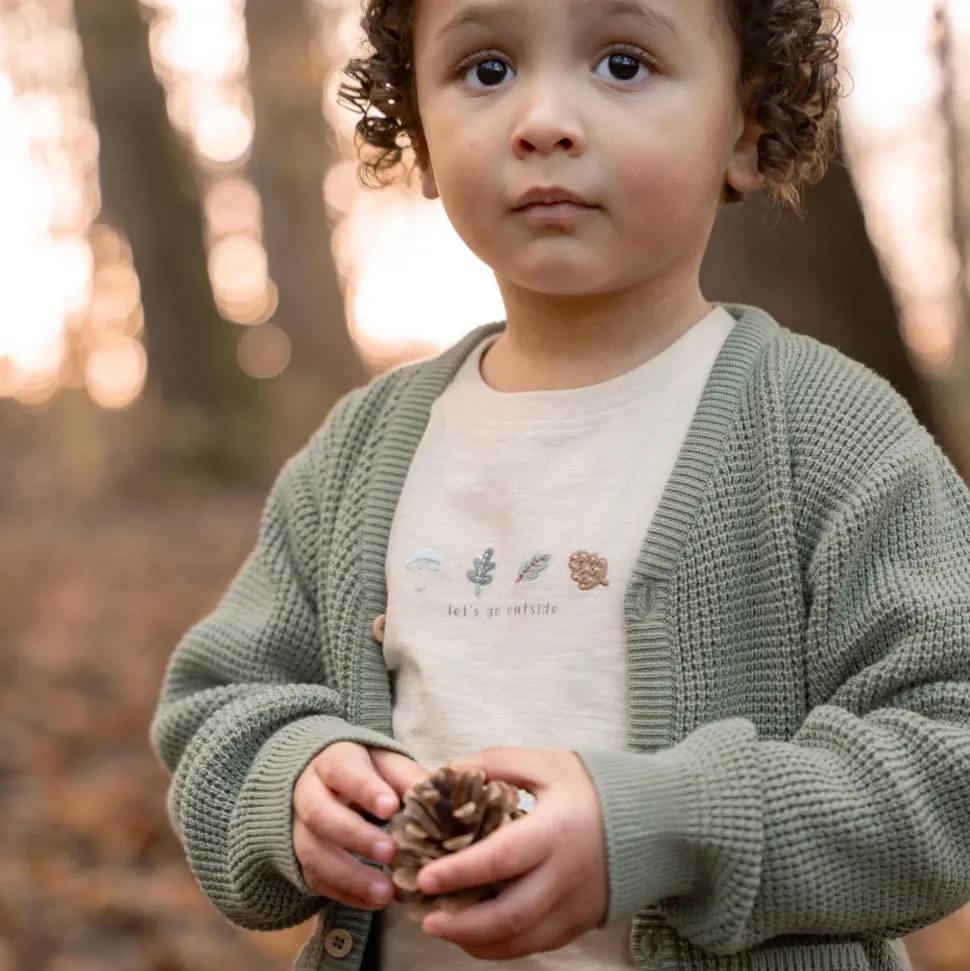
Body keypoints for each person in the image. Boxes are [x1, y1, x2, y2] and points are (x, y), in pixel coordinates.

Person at [150, 0, 970, 968]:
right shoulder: (358, 453)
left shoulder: (829, 434)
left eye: (623, 63)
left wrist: (666, 824)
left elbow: (946, 754)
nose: (543, 120)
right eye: (486, 69)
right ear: (416, 135)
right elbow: (219, 709)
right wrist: (288, 779)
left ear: (746, 127)